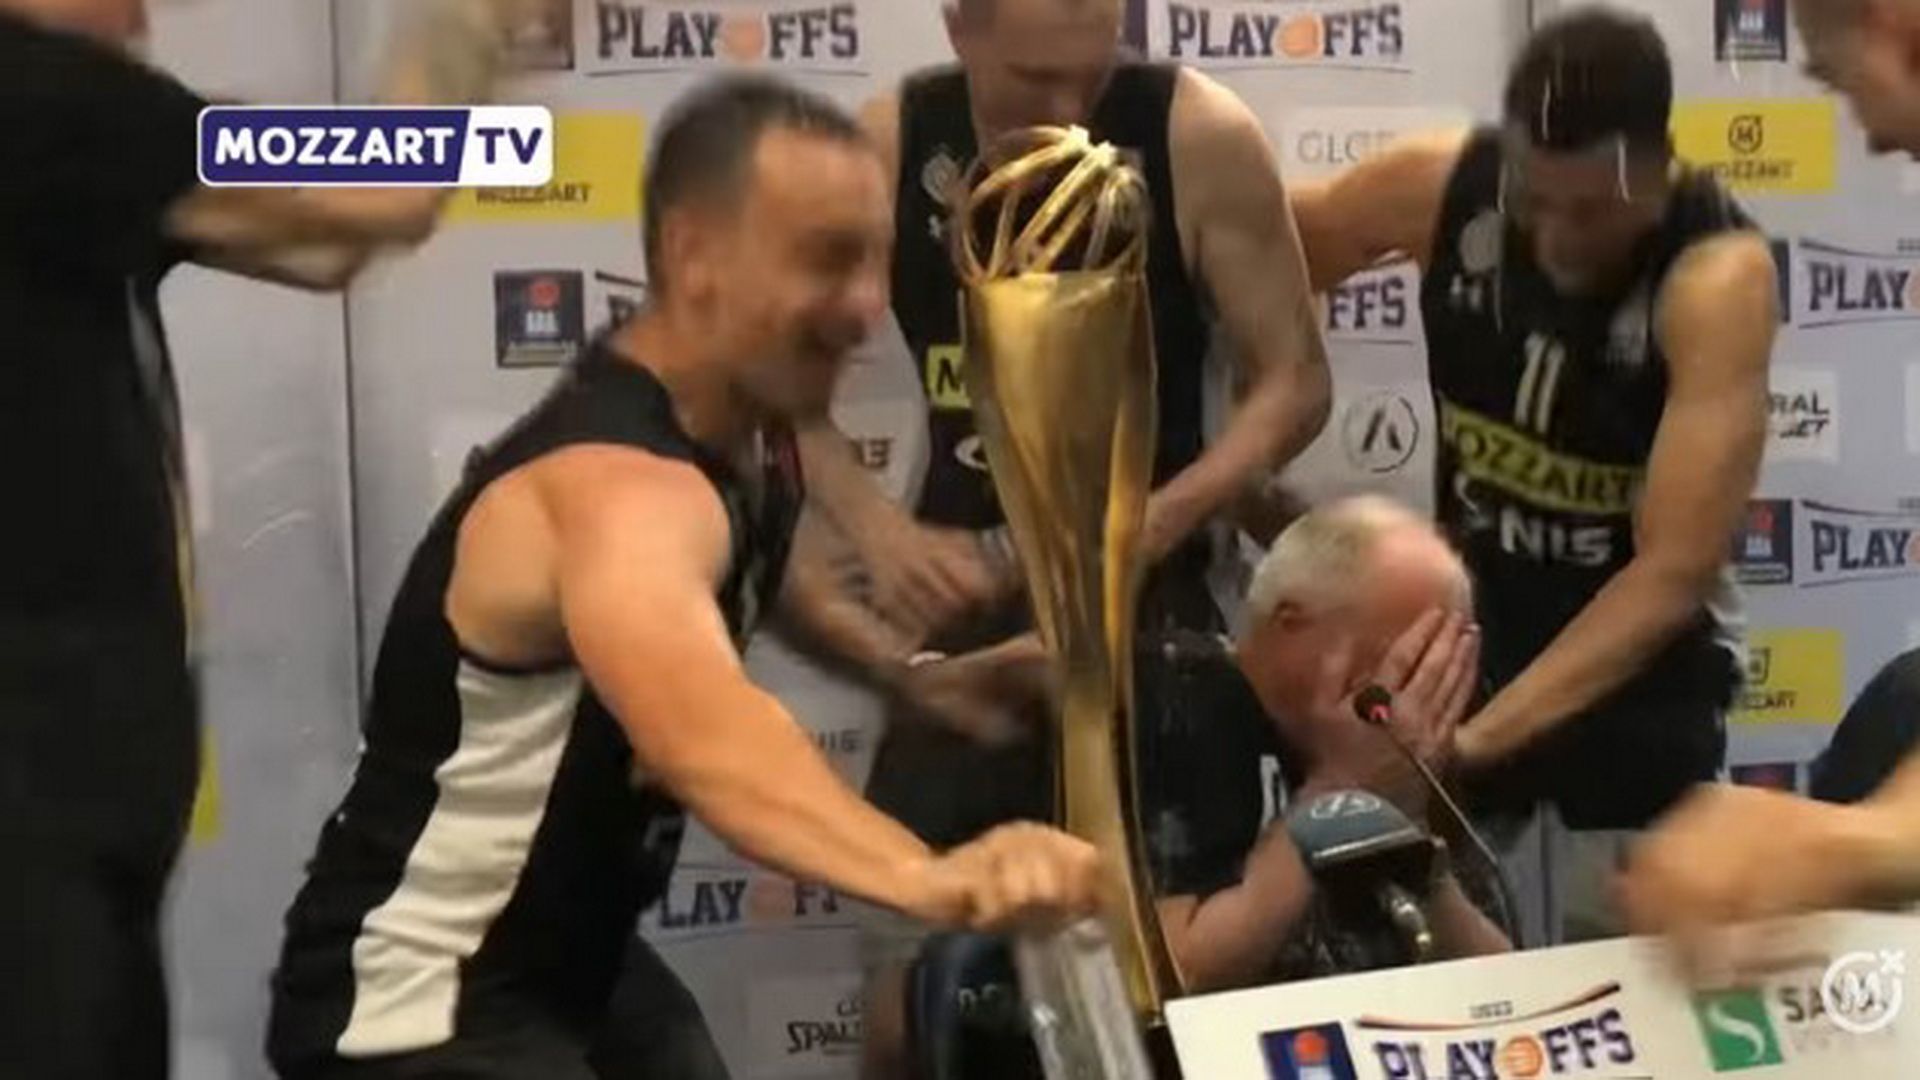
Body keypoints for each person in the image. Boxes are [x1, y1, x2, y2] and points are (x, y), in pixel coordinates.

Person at [265, 76, 1102, 1080]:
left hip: (570, 962)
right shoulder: (619, 488)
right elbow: (709, 738)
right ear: (694, 257)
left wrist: (909, 679)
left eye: (876, 259)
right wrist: (937, 881)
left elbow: (752, 574)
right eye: (827, 259)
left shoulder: (743, 436)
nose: (869, 306)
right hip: (419, 1000)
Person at [785, 1, 1330, 1071]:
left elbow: (1297, 381)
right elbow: (776, 385)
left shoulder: (1195, 132)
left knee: (1161, 1000)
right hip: (972, 617)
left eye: (1090, 76)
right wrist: (875, 523)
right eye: (1034, 81)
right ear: (960, 29)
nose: (1069, 112)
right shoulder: (890, 142)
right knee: (913, 1008)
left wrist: (1168, 510)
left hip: (1153, 622)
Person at [0, 1, 540, 1076]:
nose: (143, 12)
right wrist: (470, 24)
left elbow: (323, 243)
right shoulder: (42, 94)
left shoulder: (65, 143)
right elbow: (374, 192)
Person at [1290, 6, 1777, 944]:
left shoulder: (1717, 275)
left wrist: (1471, 744)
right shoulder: (1440, 185)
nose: (1554, 238)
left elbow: (1669, 574)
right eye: (1534, 202)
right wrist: (1276, 416)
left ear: (1656, 167)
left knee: (1630, 981)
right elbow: (1251, 250)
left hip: (1641, 688)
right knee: (1437, 967)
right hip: (1474, 638)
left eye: (1588, 211)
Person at [1147, 496, 1507, 992]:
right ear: (1291, 624)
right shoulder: (1175, 698)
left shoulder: (1401, 742)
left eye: (1437, 671)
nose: (1412, 698)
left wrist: (1414, 847)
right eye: (1397, 662)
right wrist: (1338, 787)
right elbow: (1173, 972)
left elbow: (1505, 986)